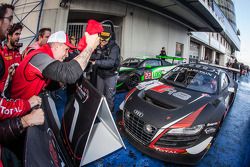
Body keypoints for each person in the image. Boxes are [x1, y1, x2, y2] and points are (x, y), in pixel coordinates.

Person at [10, 30, 101, 100]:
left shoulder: (45, 55)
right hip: (18, 108)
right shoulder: (39, 56)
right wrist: (90, 47)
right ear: (57, 46)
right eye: (66, 49)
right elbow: (69, 74)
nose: (67, 54)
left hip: (26, 104)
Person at [91, 27, 120, 112]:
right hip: (100, 74)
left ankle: (109, 113)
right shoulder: (99, 45)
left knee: (109, 97)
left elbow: (110, 63)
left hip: (110, 75)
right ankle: (99, 111)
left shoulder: (115, 48)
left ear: (110, 37)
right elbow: (97, 56)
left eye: (105, 39)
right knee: (99, 94)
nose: (103, 41)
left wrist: (96, 62)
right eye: (102, 38)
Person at [0, 22, 23, 93]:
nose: (19, 37)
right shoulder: (2, 52)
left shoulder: (18, 53)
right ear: (9, 36)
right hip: (3, 92)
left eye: (19, 34)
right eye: (16, 34)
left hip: (15, 91)